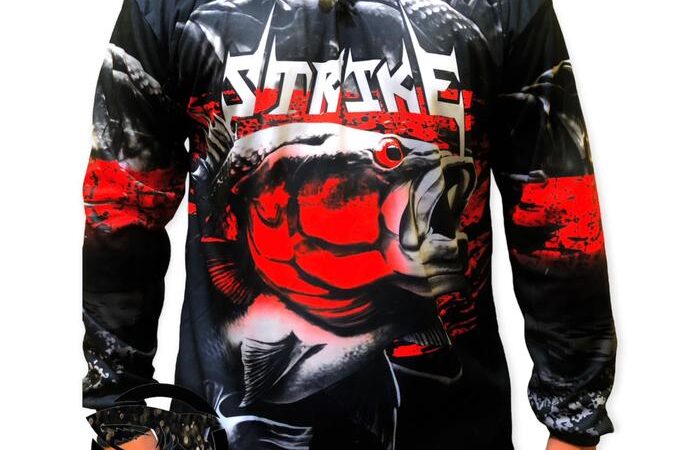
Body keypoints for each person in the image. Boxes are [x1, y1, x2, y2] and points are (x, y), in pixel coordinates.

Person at [81, 1, 616, 449]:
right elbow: (123, 207)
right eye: (391, 157)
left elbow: (556, 211)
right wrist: (119, 413)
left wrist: (574, 421)